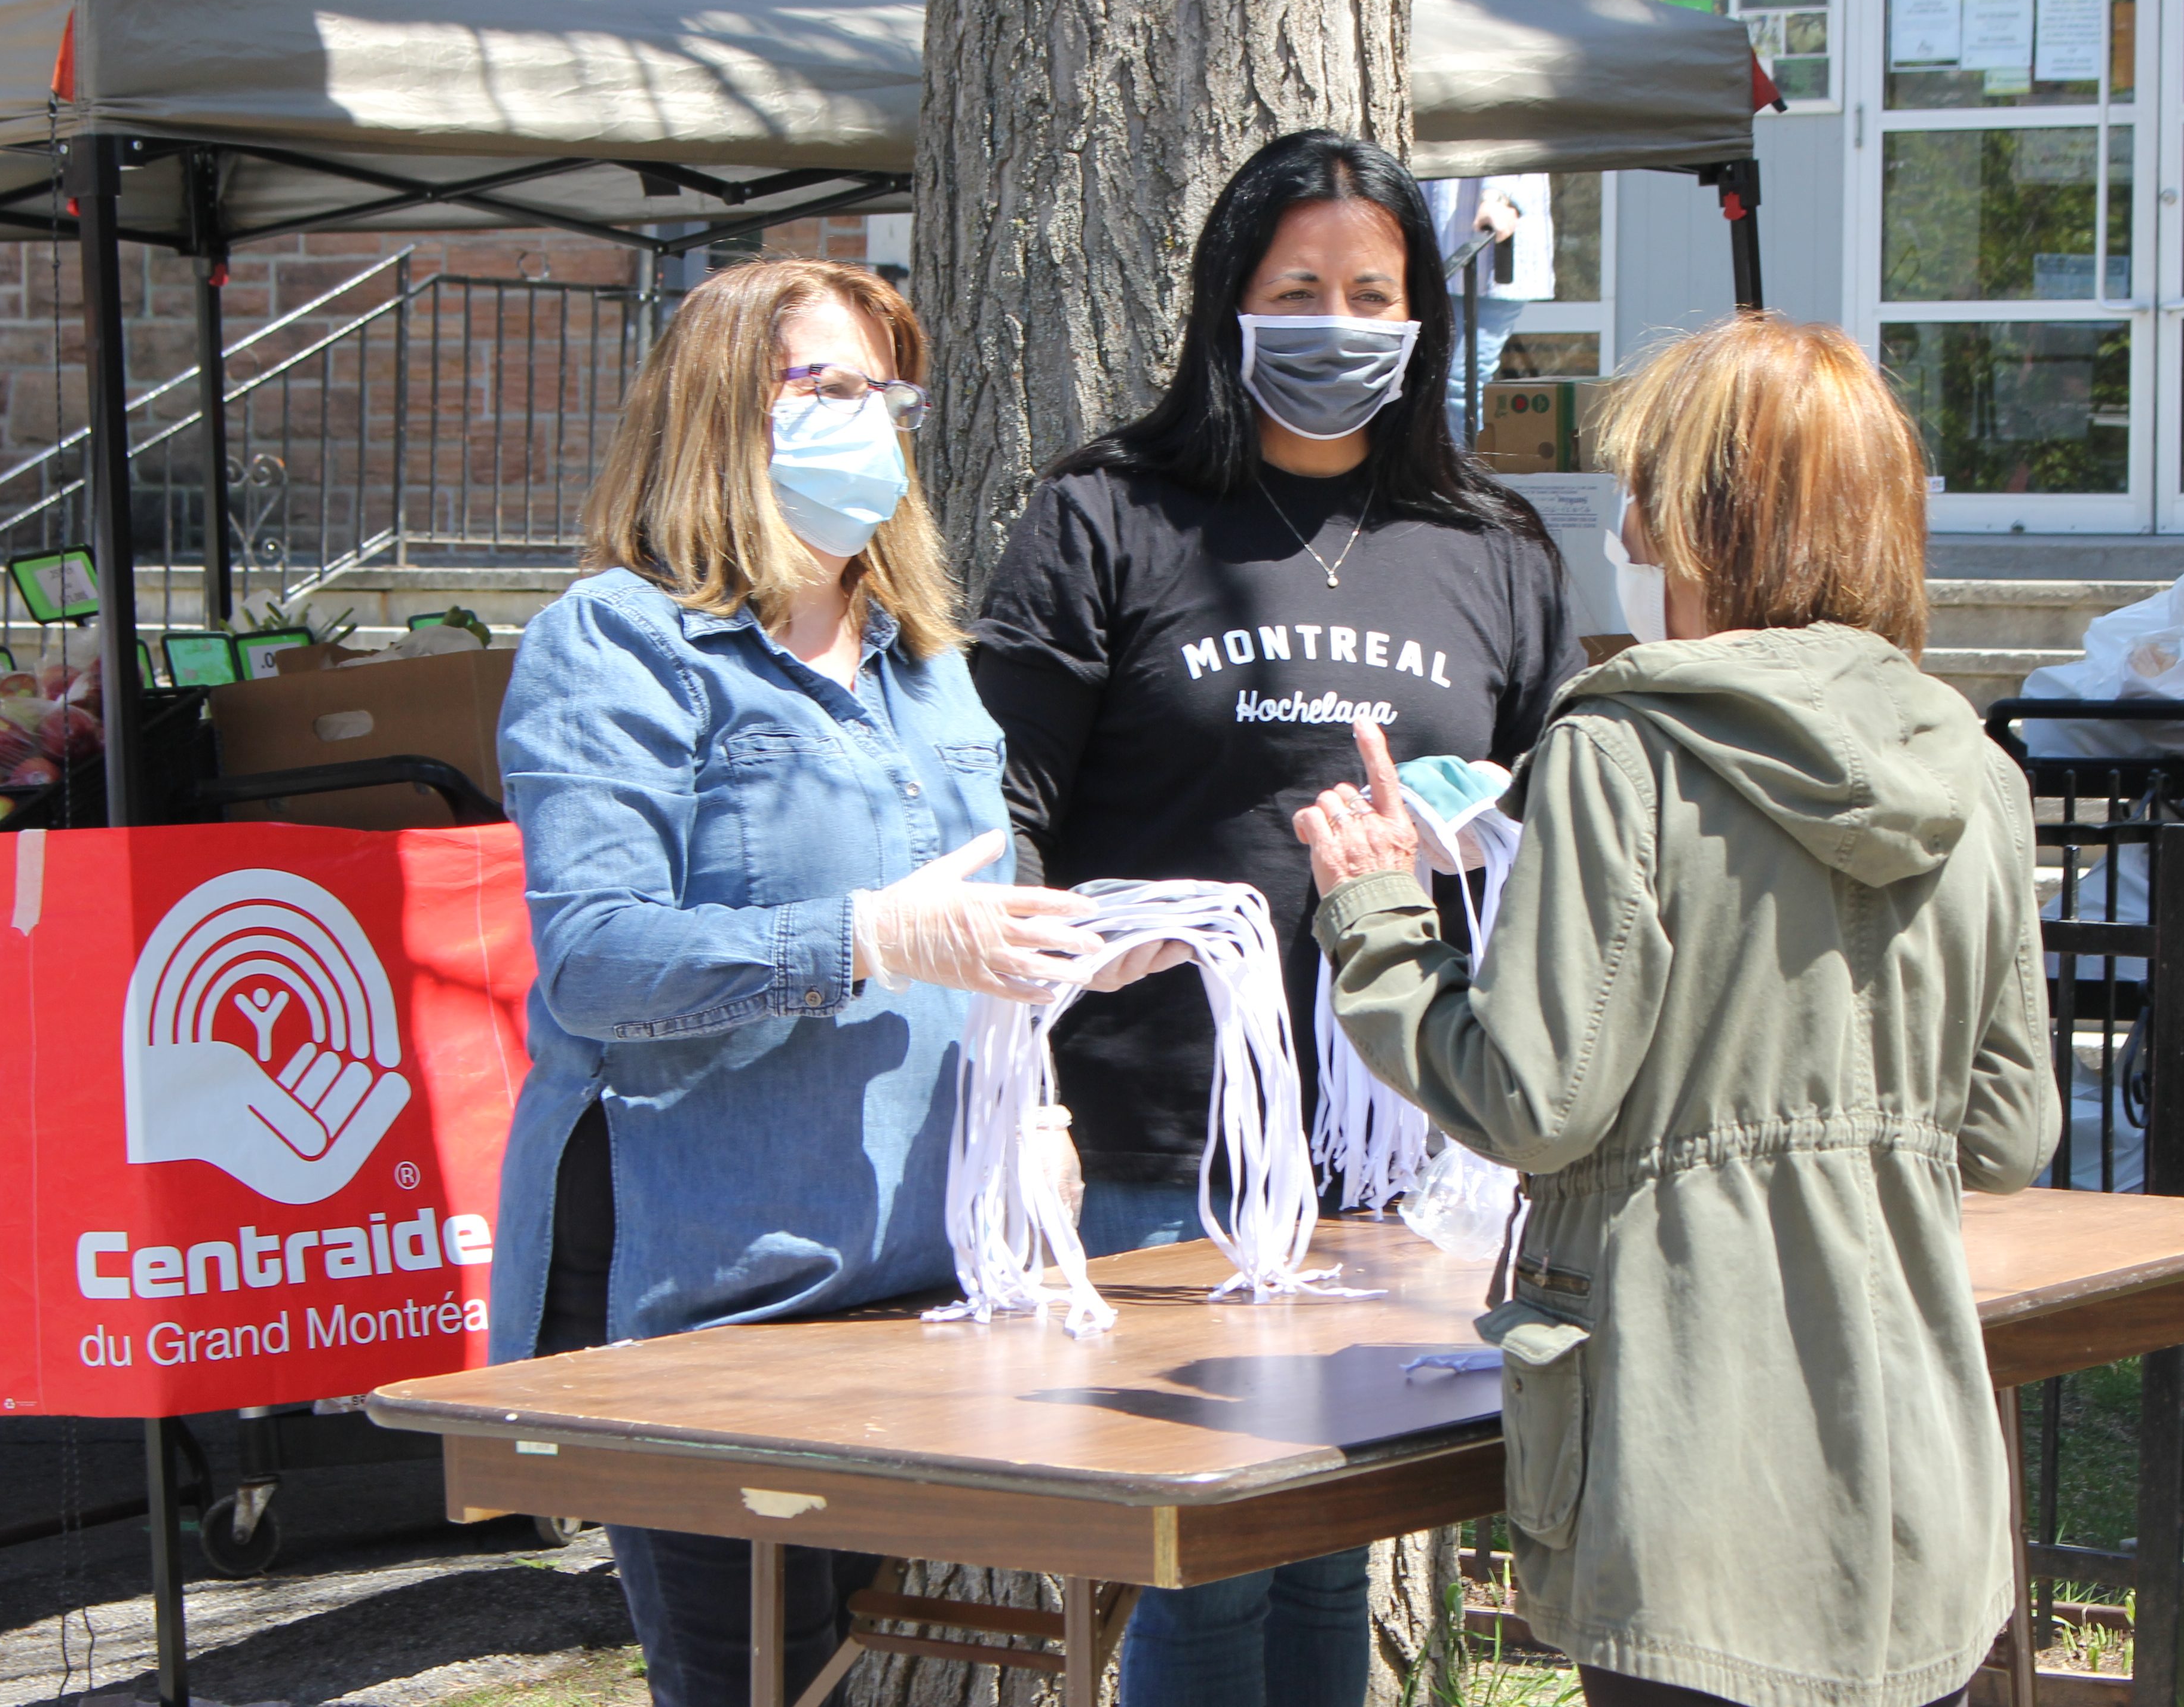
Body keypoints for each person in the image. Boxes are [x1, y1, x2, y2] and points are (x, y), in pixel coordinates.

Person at [1297, 315, 2060, 1707]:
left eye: (1643, 491)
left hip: (1682, 1468)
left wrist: (1380, 916)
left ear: (1699, 520)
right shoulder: (1974, 769)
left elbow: (1536, 1099)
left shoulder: (1623, 749)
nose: (1630, 532)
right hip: (1914, 1471)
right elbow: (2007, 1131)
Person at [487, 256, 1157, 1707]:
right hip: (710, 1302)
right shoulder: (616, 642)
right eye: (830, 387)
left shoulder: (931, 665)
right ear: (723, 408)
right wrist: (864, 937)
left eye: (885, 396)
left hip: (917, 1284)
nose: (872, 423)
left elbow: (973, 928)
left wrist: (1067, 994)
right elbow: (595, 960)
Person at [972, 129, 1588, 1707]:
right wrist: (1028, 1077)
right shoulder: (1110, 514)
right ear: (1228, 303)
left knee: (1328, 1559)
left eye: (1372, 294)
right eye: (1298, 289)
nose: (1337, 324)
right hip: (1159, 1135)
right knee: (1205, 1570)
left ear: (1423, 316)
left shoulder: (1493, 546)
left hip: (1393, 1140)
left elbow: (1559, 813)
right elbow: (1005, 808)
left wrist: (1475, 824)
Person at [1419, 172, 1553, 442]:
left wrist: (1498, 198)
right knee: (1428, 382)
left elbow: (1514, 151)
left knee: (1459, 384)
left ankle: (1463, 467)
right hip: (1431, 255)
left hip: (1485, 257)